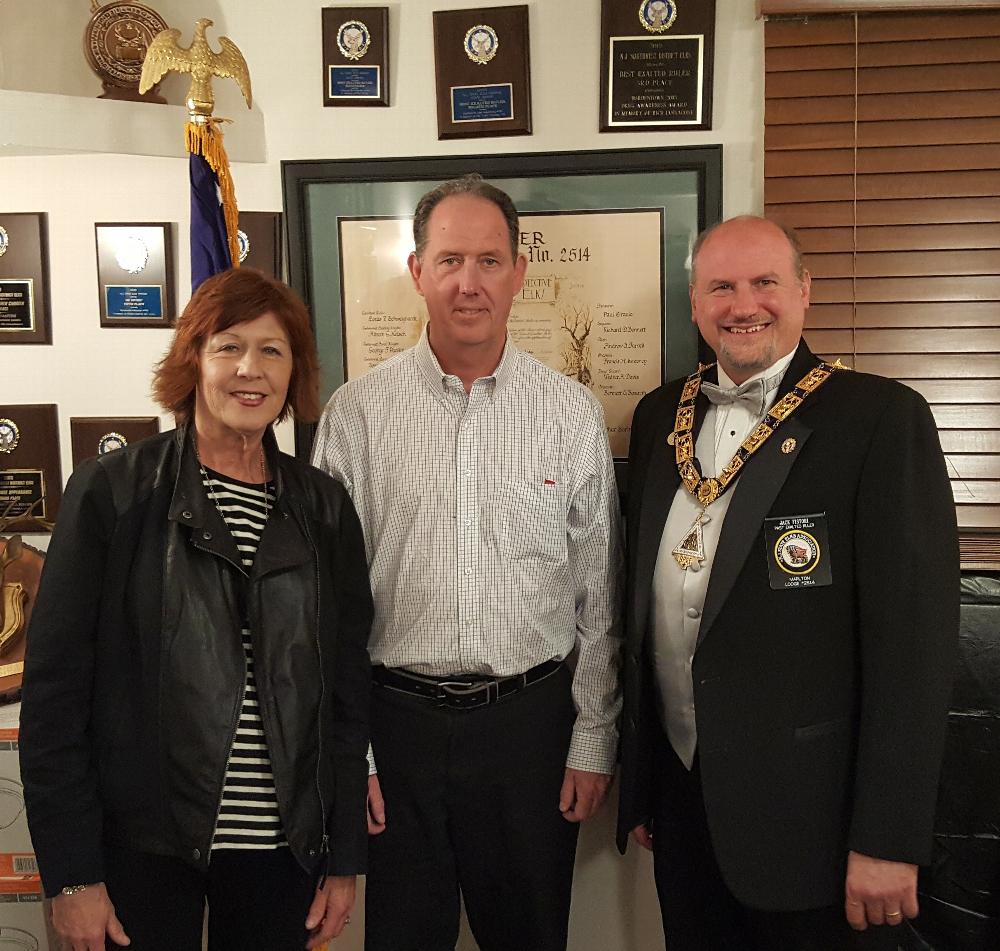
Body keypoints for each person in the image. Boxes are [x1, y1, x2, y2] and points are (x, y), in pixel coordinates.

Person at [616, 216, 959, 950]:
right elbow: (643, 615)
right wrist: (646, 782)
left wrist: (889, 837)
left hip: (817, 826)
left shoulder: (878, 418)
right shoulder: (657, 416)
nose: (744, 304)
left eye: (765, 282)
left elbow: (915, 650)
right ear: (695, 301)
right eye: (722, 286)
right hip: (685, 806)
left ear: (804, 290)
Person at [20, 268, 373, 951]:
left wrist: (345, 856)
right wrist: (71, 875)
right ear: (194, 360)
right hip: (141, 851)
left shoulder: (325, 508)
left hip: (283, 853)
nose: (251, 369)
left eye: (273, 350)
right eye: (229, 346)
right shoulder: (113, 493)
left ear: (293, 370)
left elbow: (345, 695)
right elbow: (55, 699)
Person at [312, 173, 623, 951]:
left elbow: (600, 596)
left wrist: (593, 739)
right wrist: (359, 758)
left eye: (489, 261)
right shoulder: (357, 413)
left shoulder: (570, 412)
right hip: (397, 729)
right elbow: (324, 608)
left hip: (529, 731)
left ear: (520, 273)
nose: (469, 282)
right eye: (450, 260)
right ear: (417, 271)